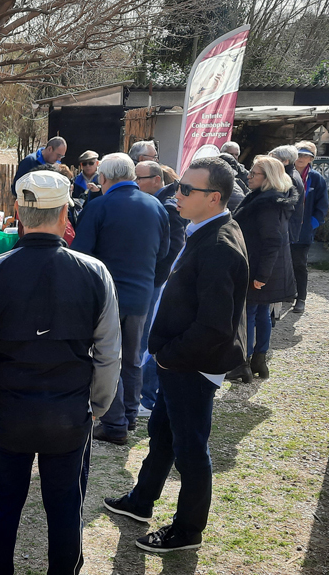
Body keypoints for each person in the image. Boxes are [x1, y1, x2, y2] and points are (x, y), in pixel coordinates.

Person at [0, 170, 121, 575]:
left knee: (0, 505)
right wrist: (98, 404)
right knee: (66, 508)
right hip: (69, 414)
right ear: (66, 213)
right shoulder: (95, 273)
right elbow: (108, 354)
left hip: (8, 412)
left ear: (17, 210)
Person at [104, 157, 249, 554]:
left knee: (191, 451)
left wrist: (169, 356)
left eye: (187, 189)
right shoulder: (206, 228)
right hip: (179, 361)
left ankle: (187, 531)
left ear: (214, 197)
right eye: (179, 185)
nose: (177, 194)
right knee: (163, 435)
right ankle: (141, 500)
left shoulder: (219, 243)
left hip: (191, 365)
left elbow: (215, 325)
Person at [70, 153, 169, 445]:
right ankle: (128, 414)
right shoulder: (157, 206)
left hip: (106, 298)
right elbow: (165, 252)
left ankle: (115, 424)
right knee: (133, 357)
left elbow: (80, 256)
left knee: (106, 357)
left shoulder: (99, 207)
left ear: (103, 178)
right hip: (140, 295)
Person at [227, 156, 298, 383]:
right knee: (261, 314)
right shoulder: (267, 198)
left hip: (259, 268)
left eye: (253, 174)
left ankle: (243, 363)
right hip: (265, 267)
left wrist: (261, 276)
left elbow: (272, 241)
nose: (248, 176)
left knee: (249, 314)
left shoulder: (267, 203)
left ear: (267, 178)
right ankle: (258, 360)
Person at [133, 160, 187, 416]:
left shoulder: (167, 207)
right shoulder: (158, 203)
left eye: (140, 178)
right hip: (155, 280)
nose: (136, 183)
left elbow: (171, 250)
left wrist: (152, 275)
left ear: (157, 179)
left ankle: (146, 398)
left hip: (158, 282)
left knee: (148, 341)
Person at [290, 141, 327, 313]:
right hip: (283, 228)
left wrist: (312, 225)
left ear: (312, 158)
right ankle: (287, 293)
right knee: (283, 263)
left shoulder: (316, 178)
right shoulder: (285, 174)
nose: (301, 158)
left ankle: (301, 298)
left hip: (303, 232)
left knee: (299, 264)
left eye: (306, 155)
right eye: (299, 154)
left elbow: (322, 206)